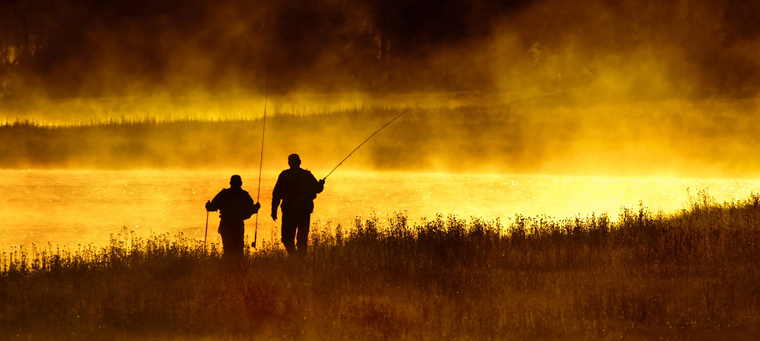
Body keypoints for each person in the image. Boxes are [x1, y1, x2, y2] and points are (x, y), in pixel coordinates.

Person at [271, 154, 325, 258]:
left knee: (287, 238)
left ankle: (296, 258)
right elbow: (317, 189)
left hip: (289, 211)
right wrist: (321, 184)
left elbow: (276, 194)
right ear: (299, 162)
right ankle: (299, 259)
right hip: (304, 211)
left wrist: (274, 210)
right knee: (302, 238)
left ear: (289, 163)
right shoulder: (306, 175)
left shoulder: (284, 175)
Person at [206, 175, 260, 261]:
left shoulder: (224, 194)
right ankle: (237, 268)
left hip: (225, 224)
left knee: (227, 248)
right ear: (241, 183)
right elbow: (250, 210)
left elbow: (211, 207)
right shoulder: (244, 195)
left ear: (230, 183)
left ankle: (227, 267)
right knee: (238, 249)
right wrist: (256, 207)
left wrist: (208, 205)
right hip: (238, 225)